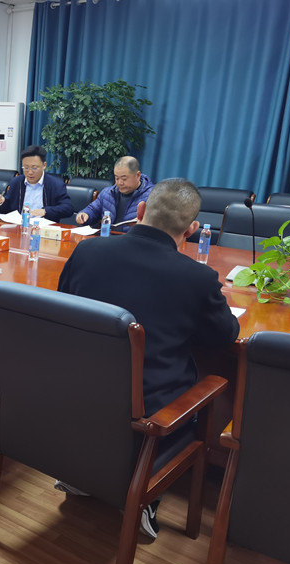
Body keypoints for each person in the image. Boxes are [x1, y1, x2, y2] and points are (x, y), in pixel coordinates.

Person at [58, 178, 240, 539]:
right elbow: (225, 337)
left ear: (140, 211)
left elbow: (65, 306)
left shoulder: (87, 251)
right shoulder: (198, 278)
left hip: (79, 394)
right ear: (191, 230)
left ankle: (87, 473)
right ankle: (145, 494)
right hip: (149, 416)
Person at [0, 145, 73, 222]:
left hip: (44, 228)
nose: (30, 172)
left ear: (44, 165)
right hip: (19, 226)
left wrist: (45, 211)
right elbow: (7, 210)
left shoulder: (55, 184)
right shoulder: (16, 182)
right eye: (26, 168)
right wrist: (0, 203)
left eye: (34, 168)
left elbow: (68, 209)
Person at [75, 156, 154, 232]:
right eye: (117, 178)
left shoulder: (152, 197)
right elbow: (93, 209)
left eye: (124, 179)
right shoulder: (108, 193)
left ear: (137, 175)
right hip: (107, 237)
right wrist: (85, 215)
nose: (119, 183)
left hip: (132, 239)